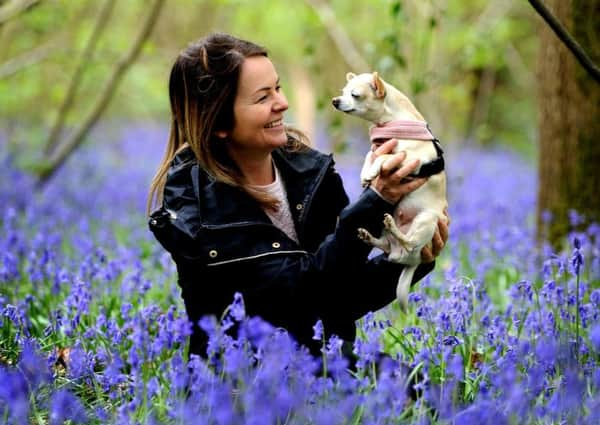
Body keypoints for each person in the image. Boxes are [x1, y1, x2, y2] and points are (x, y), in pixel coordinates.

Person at [147, 32, 449, 361]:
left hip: (326, 363)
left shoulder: (311, 172)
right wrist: (375, 201)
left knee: (431, 398)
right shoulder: (196, 207)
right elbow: (296, 298)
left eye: (277, 87)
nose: (282, 102)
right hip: (242, 385)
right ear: (219, 122)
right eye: (263, 98)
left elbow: (344, 294)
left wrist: (412, 258)